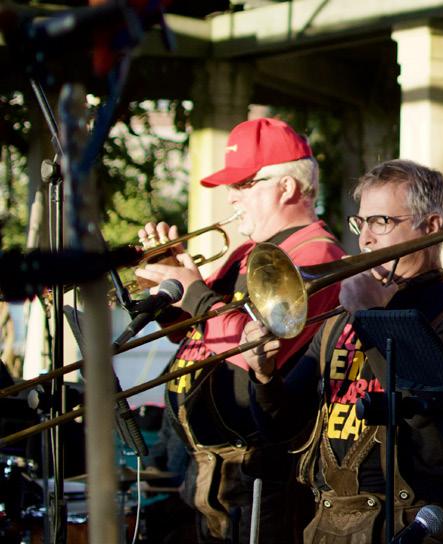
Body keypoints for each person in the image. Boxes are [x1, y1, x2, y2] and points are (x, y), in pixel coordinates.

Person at [241, 159, 443, 543]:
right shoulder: (340, 318)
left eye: (381, 222)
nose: (365, 240)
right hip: (331, 521)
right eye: (361, 223)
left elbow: (431, 435)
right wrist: (264, 375)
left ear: (429, 227)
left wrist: (373, 317)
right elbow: (282, 425)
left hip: (414, 522)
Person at [134, 117, 347, 542]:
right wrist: (168, 288)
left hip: (262, 478)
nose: (231, 198)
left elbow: (258, 351)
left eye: (244, 184)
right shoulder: (249, 252)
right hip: (215, 472)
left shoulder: (315, 252)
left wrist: (195, 292)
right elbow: (196, 336)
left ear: (286, 187)